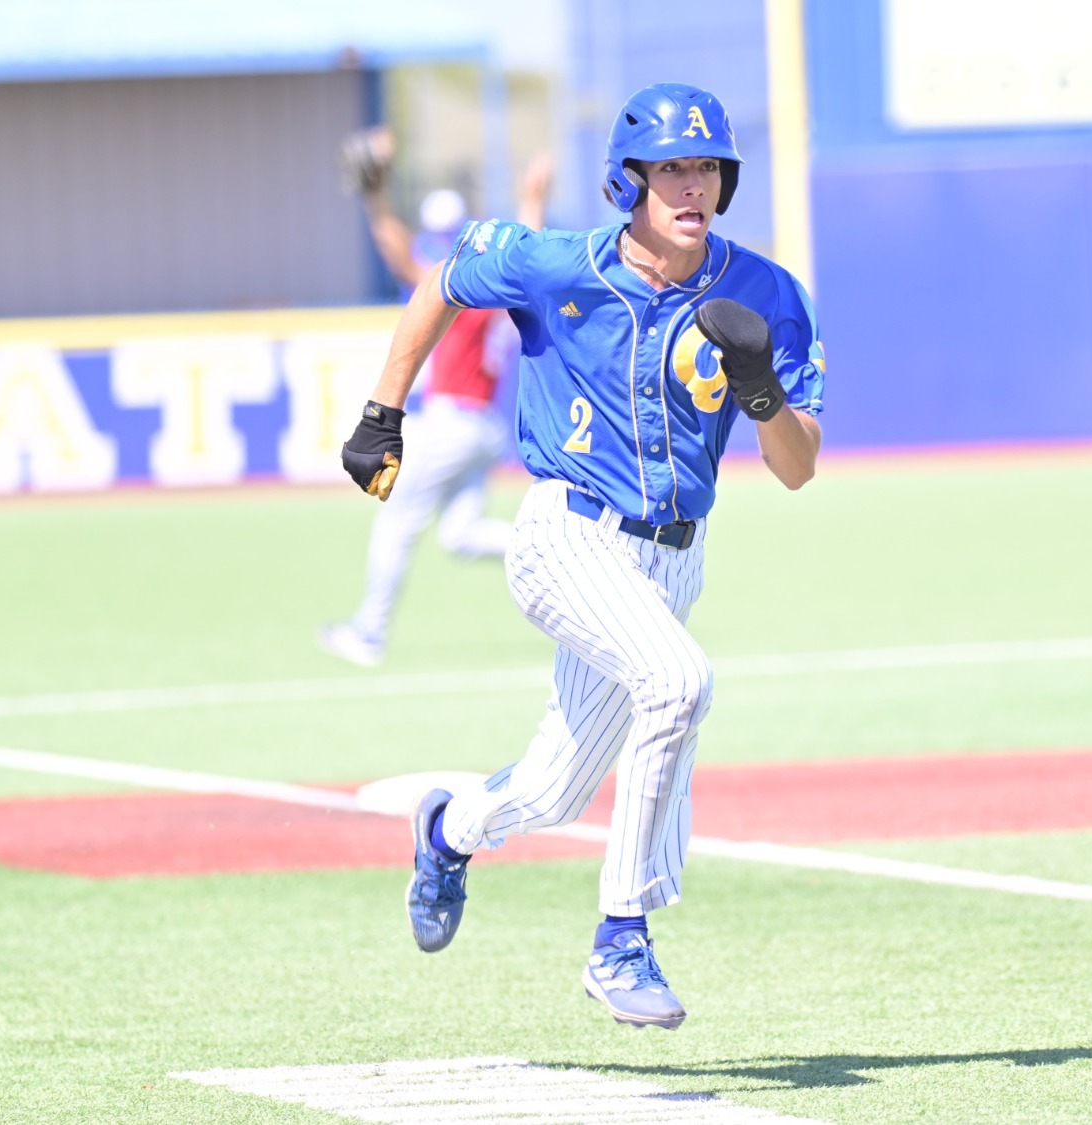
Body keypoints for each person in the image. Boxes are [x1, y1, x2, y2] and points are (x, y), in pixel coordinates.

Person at [337, 83, 826, 1027]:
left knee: (553, 790)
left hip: (672, 560)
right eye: (671, 168)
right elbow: (442, 280)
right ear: (628, 180)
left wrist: (761, 388)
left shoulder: (767, 293)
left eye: (708, 167)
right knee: (678, 684)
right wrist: (382, 412)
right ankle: (621, 938)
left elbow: (797, 468)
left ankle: (446, 830)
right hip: (565, 533)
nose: (694, 185)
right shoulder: (557, 264)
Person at [318, 132, 553, 667]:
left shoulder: (459, 285)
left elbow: (401, 256)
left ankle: (368, 633)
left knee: (396, 519)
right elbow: (533, 253)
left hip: (453, 421)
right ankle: (558, 550)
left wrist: (375, 200)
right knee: (461, 535)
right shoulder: (495, 284)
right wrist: (532, 199)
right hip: (484, 425)